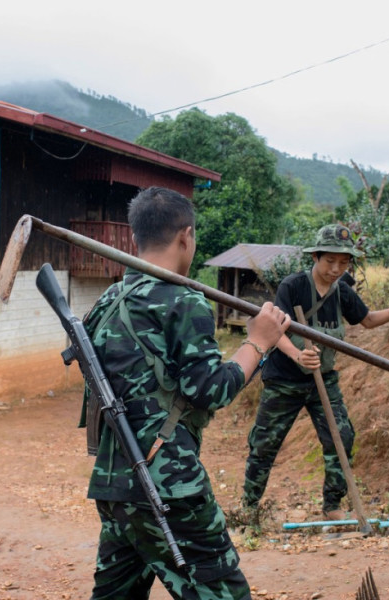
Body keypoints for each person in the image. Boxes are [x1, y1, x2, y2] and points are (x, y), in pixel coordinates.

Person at [81, 186, 290, 599]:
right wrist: (258, 343)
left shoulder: (107, 301)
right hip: (170, 486)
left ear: (134, 236)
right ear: (185, 236)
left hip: (115, 483)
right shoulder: (182, 300)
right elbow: (210, 390)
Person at [242, 224, 389, 520]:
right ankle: (249, 510)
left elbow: (367, 320)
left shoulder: (342, 293)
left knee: (342, 437)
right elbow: (275, 328)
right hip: (284, 380)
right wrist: (297, 354)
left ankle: (332, 506)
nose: (336, 269)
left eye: (343, 262)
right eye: (330, 261)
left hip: (323, 380)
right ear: (316, 257)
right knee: (264, 444)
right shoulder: (293, 286)